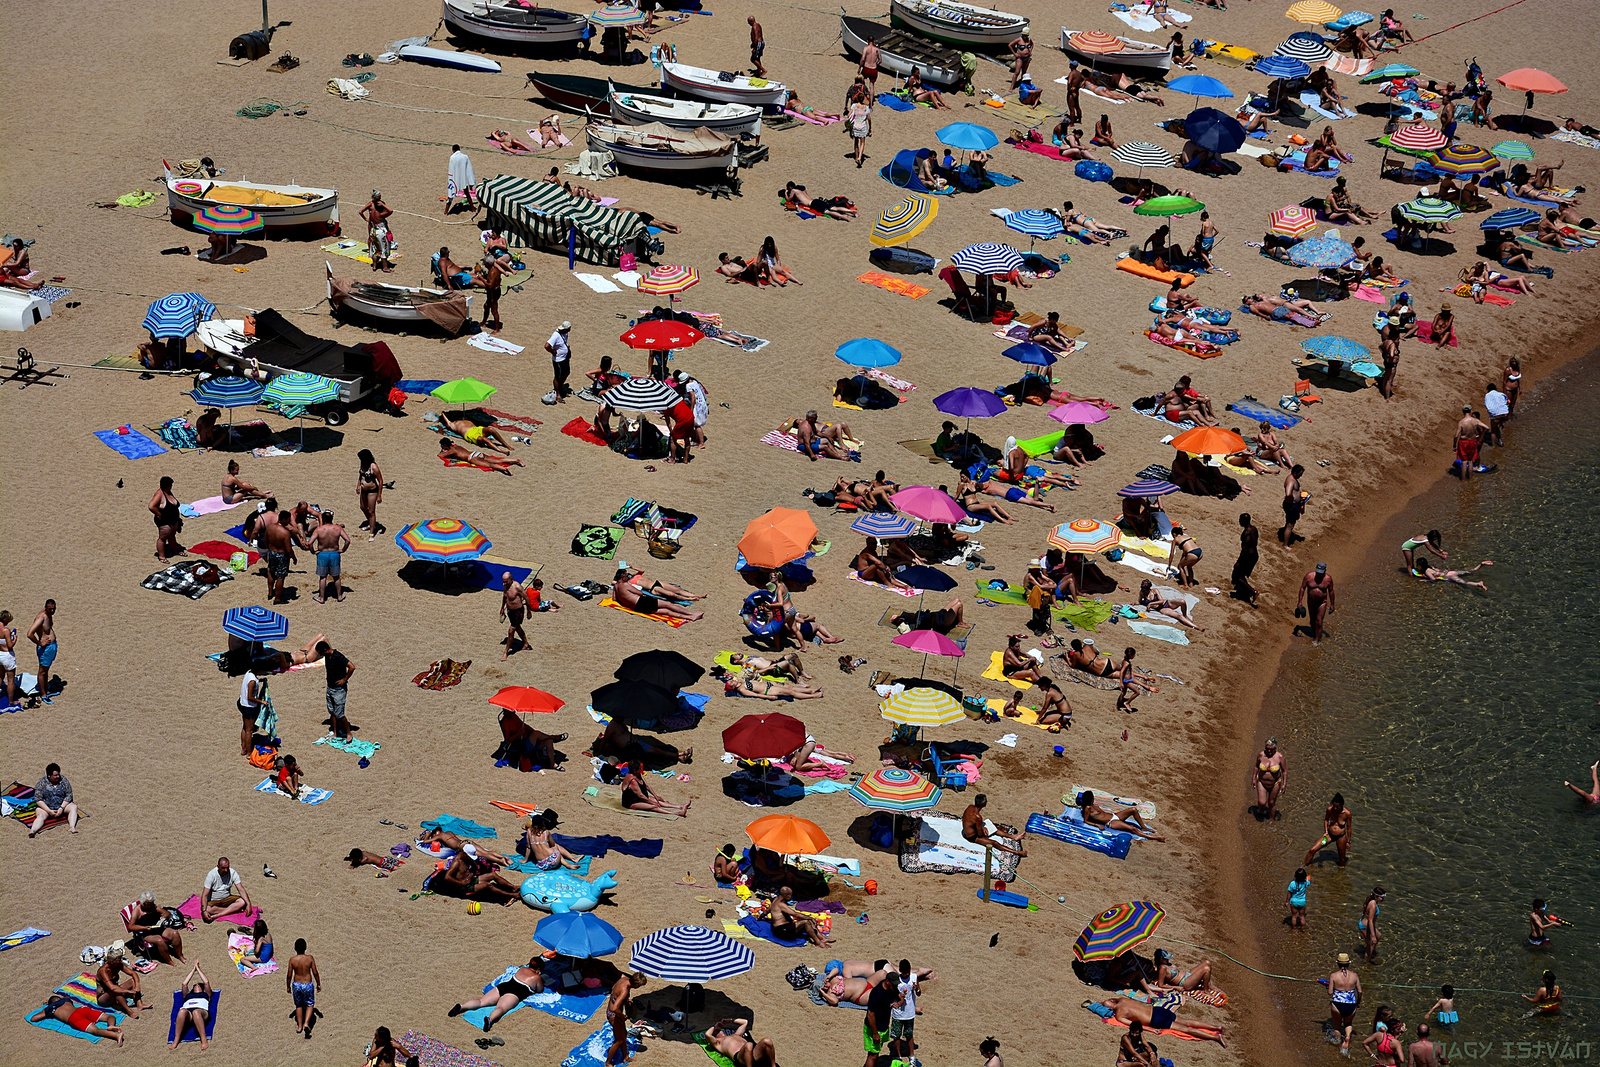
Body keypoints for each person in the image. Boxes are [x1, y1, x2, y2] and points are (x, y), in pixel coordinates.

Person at [449, 956, 545, 1030]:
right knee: (501, 1008)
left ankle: (462, 1007)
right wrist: (539, 976)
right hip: (515, 993)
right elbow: (540, 990)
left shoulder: (522, 969)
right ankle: (490, 1020)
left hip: (504, 986)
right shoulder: (536, 978)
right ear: (538, 969)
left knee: (481, 1001)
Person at [1096, 997, 1225, 1047]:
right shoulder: (1123, 999)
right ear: (1113, 1001)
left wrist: (1151, 1029)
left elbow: (1135, 1025)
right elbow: (1115, 998)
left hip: (1155, 1020)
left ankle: (1215, 1038)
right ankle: (1216, 1026)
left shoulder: (1119, 1015)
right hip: (1158, 1010)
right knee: (1187, 1021)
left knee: (1186, 1030)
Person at [612, 566, 705, 622]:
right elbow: (639, 593)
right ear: (623, 577)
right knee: (668, 605)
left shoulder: (616, 586)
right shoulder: (626, 585)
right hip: (641, 601)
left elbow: (614, 599)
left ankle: (690, 617)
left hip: (637, 607)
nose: (628, 576)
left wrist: (625, 601)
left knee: (666, 612)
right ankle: (691, 614)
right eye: (626, 575)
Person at [29, 994, 124, 1045]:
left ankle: (116, 1035)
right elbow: (64, 996)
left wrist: (47, 1008)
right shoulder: (66, 1000)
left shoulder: (50, 1008)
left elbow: (34, 1018)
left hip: (73, 1018)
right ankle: (111, 1026)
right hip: (82, 1010)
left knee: (96, 1030)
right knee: (109, 1017)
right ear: (58, 999)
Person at [121, 890, 185, 963]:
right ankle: (169, 961)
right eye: (149, 905)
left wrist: (164, 916)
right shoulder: (137, 911)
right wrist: (144, 928)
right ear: (144, 904)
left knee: (175, 933)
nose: (152, 906)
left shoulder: (153, 906)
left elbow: (168, 913)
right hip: (146, 932)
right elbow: (131, 926)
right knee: (159, 940)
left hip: (157, 928)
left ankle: (180, 956)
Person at [962, 794, 1028, 856]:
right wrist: (984, 830)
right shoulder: (978, 817)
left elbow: (971, 822)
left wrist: (982, 827)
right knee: (994, 843)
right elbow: (980, 835)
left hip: (969, 831)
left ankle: (1013, 837)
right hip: (972, 837)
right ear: (983, 804)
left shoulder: (970, 807)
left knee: (993, 828)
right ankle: (1016, 852)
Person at [316, 640, 355, 740]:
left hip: (339, 690)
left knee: (340, 714)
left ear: (325, 650)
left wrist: (344, 679)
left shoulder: (338, 656)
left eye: (321, 653)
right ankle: (335, 732)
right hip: (330, 688)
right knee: (332, 712)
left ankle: (348, 733)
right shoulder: (327, 657)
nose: (320, 655)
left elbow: (352, 667)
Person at [769, 886, 834, 946]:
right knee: (806, 922)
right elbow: (795, 914)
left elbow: (767, 910)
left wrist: (760, 916)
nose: (791, 897)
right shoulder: (781, 904)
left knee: (807, 920)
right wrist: (810, 918)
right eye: (790, 895)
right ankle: (818, 942)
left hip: (780, 929)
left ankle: (822, 938)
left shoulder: (775, 900)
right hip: (782, 931)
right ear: (786, 896)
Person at [308, 510, 349, 604]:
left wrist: (313, 551)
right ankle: (339, 596)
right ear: (332, 518)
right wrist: (343, 549)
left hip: (323, 554)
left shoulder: (319, 529)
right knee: (336, 577)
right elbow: (347, 540)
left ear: (323, 519)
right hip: (334, 553)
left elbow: (310, 543)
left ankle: (321, 597)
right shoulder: (338, 528)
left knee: (323, 577)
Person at [170, 960, 213, 1050]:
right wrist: (193, 969)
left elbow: (206, 982)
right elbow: (184, 984)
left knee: (196, 1012)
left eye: (199, 985)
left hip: (201, 1012)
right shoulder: (188, 995)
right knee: (182, 1011)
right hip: (188, 1014)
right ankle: (176, 1040)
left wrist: (198, 968)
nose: (197, 984)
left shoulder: (206, 994)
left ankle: (203, 1040)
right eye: (195, 985)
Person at [606, 971, 647, 1066]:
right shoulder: (625, 991)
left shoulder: (623, 979)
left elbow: (615, 991)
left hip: (614, 1013)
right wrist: (623, 1016)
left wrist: (625, 1000)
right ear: (636, 985)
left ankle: (625, 1057)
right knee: (619, 1040)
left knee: (623, 1035)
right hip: (614, 1015)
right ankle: (607, 1063)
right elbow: (614, 1008)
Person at [619, 764, 691, 816]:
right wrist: (651, 802)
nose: (641, 770)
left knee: (658, 801)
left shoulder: (638, 775)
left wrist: (656, 796)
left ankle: (680, 806)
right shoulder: (633, 781)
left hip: (637, 798)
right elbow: (640, 795)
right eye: (639, 769)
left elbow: (647, 786)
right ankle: (676, 813)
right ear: (634, 770)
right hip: (631, 803)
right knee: (654, 806)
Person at [1326, 953, 1362, 1054]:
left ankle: (1338, 1044)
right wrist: (1358, 1003)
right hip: (1351, 1004)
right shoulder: (1354, 975)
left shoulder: (1333, 975)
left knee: (1337, 1026)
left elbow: (1330, 993)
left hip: (1337, 1004)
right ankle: (1347, 1037)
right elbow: (1360, 991)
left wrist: (1329, 987)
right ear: (1348, 964)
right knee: (1348, 1023)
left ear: (1337, 963)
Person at [864, 973, 902, 1067]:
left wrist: (899, 1001)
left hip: (883, 1026)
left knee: (876, 1053)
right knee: (873, 1055)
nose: (895, 986)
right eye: (894, 984)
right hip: (875, 1028)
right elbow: (870, 1015)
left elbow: (899, 997)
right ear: (888, 982)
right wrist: (875, 1033)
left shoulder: (891, 988)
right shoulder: (877, 993)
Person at [29, 761, 78, 836]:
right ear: (49, 776)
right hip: (47, 807)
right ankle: (33, 831)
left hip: (62, 805)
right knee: (40, 816)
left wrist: (61, 808)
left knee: (74, 807)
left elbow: (69, 795)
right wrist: (49, 811)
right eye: (55, 775)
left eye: (58, 774)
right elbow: (38, 799)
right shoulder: (41, 783)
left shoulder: (64, 780)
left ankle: (72, 827)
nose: (58, 777)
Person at [705, 1018, 779, 1067]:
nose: (718, 1030)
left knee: (767, 1041)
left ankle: (773, 1065)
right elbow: (707, 1034)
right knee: (748, 1045)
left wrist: (729, 1020)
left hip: (753, 1053)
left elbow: (745, 1022)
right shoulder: (718, 1043)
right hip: (740, 1057)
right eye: (715, 1032)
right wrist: (715, 1026)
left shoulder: (735, 1034)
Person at [1304, 792, 1353, 866]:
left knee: (1342, 859)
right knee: (1312, 850)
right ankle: (1304, 867)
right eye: (1334, 806)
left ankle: (1341, 875)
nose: (1335, 808)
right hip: (1329, 834)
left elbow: (1349, 828)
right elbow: (1326, 820)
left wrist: (1348, 842)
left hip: (1341, 836)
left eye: (1337, 807)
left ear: (1341, 805)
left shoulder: (1347, 813)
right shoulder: (1330, 809)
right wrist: (1326, 831)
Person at [285, 938, 320, 1037]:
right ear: (306, 947)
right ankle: (306, 1023)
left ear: (295, 948)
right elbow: (315, 972)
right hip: (307, 984)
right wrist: (318, 983)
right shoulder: (310, 958)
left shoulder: (292, 960)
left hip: (297, 984)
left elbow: (289, 975)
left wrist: (288, 986)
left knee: (299, 1005)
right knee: (310, 1004)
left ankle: (299, 1026)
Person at [96, 948, 145, 1017]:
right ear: (112, 962)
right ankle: (128, 1011)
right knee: (116, 991)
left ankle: (139, 1003)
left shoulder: (118, 965)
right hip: (103, 997)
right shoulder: (103, 971)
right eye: (119, 960)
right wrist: (129, 991)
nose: (121, 961)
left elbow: (133, 973)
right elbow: (112, 988)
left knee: (132, 981)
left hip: (115, 989)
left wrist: (137, 985)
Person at [201, 856, 251, 922]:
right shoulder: (211, 875)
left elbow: (241, 889)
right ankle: (232, 909)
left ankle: (217, 915)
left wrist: (248, 904)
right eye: (223, 868)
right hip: (214, 900)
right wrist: (204, 911)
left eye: (227, 867)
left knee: (243, 901)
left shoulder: (232, 873)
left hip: (227, 898)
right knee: (208, 909)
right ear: (218, 867)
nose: (226, 870)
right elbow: (204, 895)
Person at [1138, 579, 1203, 630]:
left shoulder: (1154, 590)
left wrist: (1150, 603)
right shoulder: (1142, 593)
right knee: (1178, 615)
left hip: (1166, 602)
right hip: (1162, 609)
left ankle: (1185, 615)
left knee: (1182, 601)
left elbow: (1161, 600)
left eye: (1145, 589)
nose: (1144, 591)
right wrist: (1133, 603)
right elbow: (1138, 602)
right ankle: (1196, 627)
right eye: (1143, 589)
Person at [1297, 561, 1335, 645]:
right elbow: (1302, 588)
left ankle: (1316, 640)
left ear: (1325, 571)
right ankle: (1315, 633)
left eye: (1321, 573)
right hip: (1311, 601)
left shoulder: (1328, 579)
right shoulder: (1309, 576)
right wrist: (1300, 601)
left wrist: (1332, 604)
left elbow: (1331, 591)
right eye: (1318, 572)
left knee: (1319, 621)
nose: (1319, 574)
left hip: (1322, 602)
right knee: (1312, 621)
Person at [148, 475, 184, 562]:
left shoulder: (168, 492)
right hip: (165, 521)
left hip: (173, 519)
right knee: (162, 538)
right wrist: (158, 514)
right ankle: (162, 557)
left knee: (172, 536)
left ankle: (176, 551)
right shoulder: (159, 494)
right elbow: (151, 506)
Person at [360, 190, 396, 272]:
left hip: (373, 230)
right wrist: (383, 204)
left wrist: (366, 219)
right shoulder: (381, 214)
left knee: (376, 249)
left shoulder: (372, 212)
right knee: (384, 249)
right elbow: (390, 210)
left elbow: (360, 211)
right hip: (381, 232)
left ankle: (375, 266)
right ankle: (385, 267)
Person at [353, 448, 384, 541]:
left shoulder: (373, 467)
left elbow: (381, 481)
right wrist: (358, 485)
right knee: (362, 507)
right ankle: (371, 523)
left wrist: (379, 495)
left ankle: (371, 533)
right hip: (363, 490)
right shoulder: (363, 464)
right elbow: (361, 475)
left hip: (372, 491)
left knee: (371, 511)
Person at [1230, 513, 1260, 606]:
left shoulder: (1247, 533)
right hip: (1254, 554)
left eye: (1240, 519)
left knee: (1238, 576)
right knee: (1241, 575)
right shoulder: (1254, 529)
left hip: (1248, 556)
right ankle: (1245, 592)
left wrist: (1239, 561)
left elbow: (1245, 549)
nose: (1239, 521)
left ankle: (1253, 592)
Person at [1454, 406, 1491, 480]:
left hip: (1463, 442)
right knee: (1470, 461)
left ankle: (1463, 480)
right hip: (1473, 441)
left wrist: (1454, 445)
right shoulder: (1475, 421)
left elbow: (1456, 435)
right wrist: (1481, 436)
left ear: (1463, 412)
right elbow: (1487, 427)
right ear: (1470, 411)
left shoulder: (1461, 422)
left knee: (1464, 462)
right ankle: (1470, 479)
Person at [1253, 739, 1286, 820]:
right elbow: (1256, 767)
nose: (1269, 751)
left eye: (1271, 749)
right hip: (1261, 781)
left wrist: (1284, 784)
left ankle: (1271, 820)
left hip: (1275, 783)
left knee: (1271, 803)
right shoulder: (1261, 754)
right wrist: (1253, 779)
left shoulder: (1280, 757)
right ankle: (1260, 811)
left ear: (1275, 749)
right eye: (1267, 748)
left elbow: (1284, 771)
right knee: (1262, 802)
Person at [1280, 464, 1307, 549]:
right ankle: (1285, 544)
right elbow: (1288, 493)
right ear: (1295, 473)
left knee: (1289, 522)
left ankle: (1285, 535)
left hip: (1292, 504)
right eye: (1300, 474)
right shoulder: (1291, 481)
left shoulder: (1291, 478)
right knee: (1290, 525)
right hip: (1292, 505)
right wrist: (1291, 499)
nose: (1301, 475)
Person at [445, 144, 477, 213]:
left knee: (451, 195)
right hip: (464, 179)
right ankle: (473, 209)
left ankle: (446, 211)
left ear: (453, 150)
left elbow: (451, 170)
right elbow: (469, 169)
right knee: (467, 193)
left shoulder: (452, 157)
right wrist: (470, 180)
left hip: (455, 178)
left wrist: (450, 180)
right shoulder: (465, 157)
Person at [1358, 886, 1386, 963]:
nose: (1383, 899)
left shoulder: (1373, 902)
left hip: (1369, 925)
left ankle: (1370, 953)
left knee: (1379, 936)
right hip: (1365, 926)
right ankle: (1366, 962)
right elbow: (1370, 920)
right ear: (1376, 896)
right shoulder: (1373, 905)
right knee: (1370, 944)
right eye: (1381, 897)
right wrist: (1373, 936)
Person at [547, 320, 573, 400]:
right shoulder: (556, 335)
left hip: (564, 358)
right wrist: (553, 352)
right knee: (557, 377)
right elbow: (547, 346)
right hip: (558, 360)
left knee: (566, 372)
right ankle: (557, 394)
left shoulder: (565, 334)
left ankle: (560, 387)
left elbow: (565, 342)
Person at [848, 97, 872, 169]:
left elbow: (849, 115)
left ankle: (856, 157)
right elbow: (869, 118)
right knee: (862, 143)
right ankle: (860, 157)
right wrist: (870, 128)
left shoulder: (854, 106)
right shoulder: (866, 108)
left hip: (855, 126)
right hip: (862, 126)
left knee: (856, 143)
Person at [0, 609, 16, 710]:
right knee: (11, 680)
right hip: (7, 655)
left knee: (0, 676)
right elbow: (10, 646)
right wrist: (15, 639)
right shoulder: (6, 630)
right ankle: (11, 701)